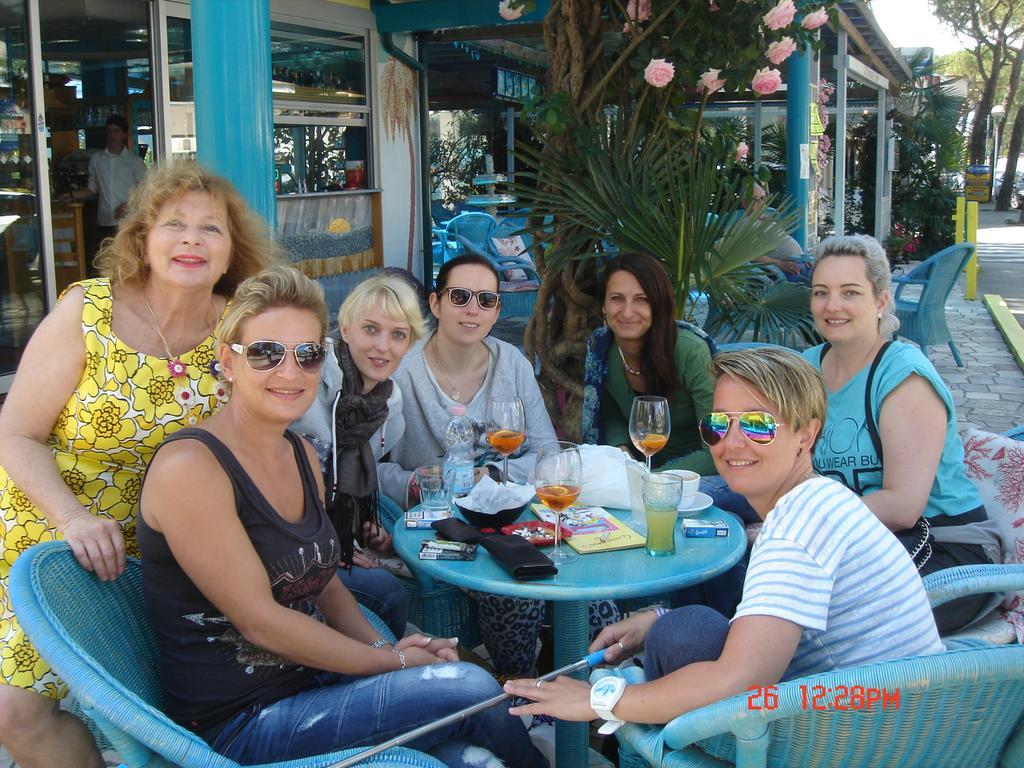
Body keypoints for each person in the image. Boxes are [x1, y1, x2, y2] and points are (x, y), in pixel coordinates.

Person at [137, 266, 544, 767]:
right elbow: (261, 623)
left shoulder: (300, 455)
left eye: (307, 355)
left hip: (312, 681)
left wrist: (388, 649)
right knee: (469, 685)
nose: (289, 372)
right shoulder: (192, 469)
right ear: (228, 361)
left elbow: (324, 582)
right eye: (266, 353)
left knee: (468, 757)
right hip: (243, 722)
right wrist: (391, 661)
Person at [505, 347, 942, 731]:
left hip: (862, 735)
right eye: (718, 425)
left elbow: (741, 680)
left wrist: (597, 702)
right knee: (681, 626)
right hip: (901, 712)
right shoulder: (817, 502)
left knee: (686, 633)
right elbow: (768, 622)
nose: (731, 444)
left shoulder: (798, 527)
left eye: (757, 425)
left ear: (806, 435)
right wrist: (657, 618)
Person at [0, 162, 272, 768]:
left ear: (232, 253)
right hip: (50, 527)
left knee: (159, 718)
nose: (192, 240)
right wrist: (71, 518)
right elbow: (16, 433)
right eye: (175, 224)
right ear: (143, 241)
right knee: (14, 712)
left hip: (169, 549)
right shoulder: (87, 312)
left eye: (211, 229)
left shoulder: (242, 335)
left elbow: (267, 440)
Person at [378, 253, 620, 676]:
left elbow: (546, 454)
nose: (473, 309)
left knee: (592, 596)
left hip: (518, 516)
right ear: (436, 304)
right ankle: (520, 690)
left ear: (496, 312)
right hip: (447, 524)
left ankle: (591, 695)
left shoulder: (511, 363)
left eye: (486, 300)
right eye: (460, 296)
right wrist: (420, 483)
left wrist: (491, 475)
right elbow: (370, 465)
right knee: (515, 594)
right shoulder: (403, 371)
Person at [805, 234, 1000, 633]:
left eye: (850, 292)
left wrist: (803, 525)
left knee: (823, 624)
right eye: (821, 292)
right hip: (858, 544)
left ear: (880, 301)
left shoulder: (903, 376)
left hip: (946, 550)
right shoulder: (805, 368)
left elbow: (903, 505)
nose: (832, 306)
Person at [292, 273, 428, 640]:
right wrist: (325, 546)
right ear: (346, 329)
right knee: (389, 594)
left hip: (337, 540)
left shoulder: (390, 409)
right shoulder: (306, 377)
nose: (383, 347)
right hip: (289, 543)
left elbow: (353, 485)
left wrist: (363, 530)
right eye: (371, 329)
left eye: (398, 334)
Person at [582, 252, 716, 475]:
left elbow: (717, 446)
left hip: (698, 477)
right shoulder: (602, 348)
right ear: (603, 306)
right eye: (616, 298)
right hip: (637, 474)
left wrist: (653, 480)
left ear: (658, 305)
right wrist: (621, 450)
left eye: (641, 299)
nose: (627, 312)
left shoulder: (689, 352)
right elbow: (611, 415)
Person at [86, 114, 148, 239]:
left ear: (124, 134)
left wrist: (127, 205)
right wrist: (71, 195)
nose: (112, 135)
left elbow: (146, 191)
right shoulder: (97, 159)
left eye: (116, 131)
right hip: (104, 221)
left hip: (128, 221)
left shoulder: (134, 161)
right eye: (109, 131)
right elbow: (91, 189)